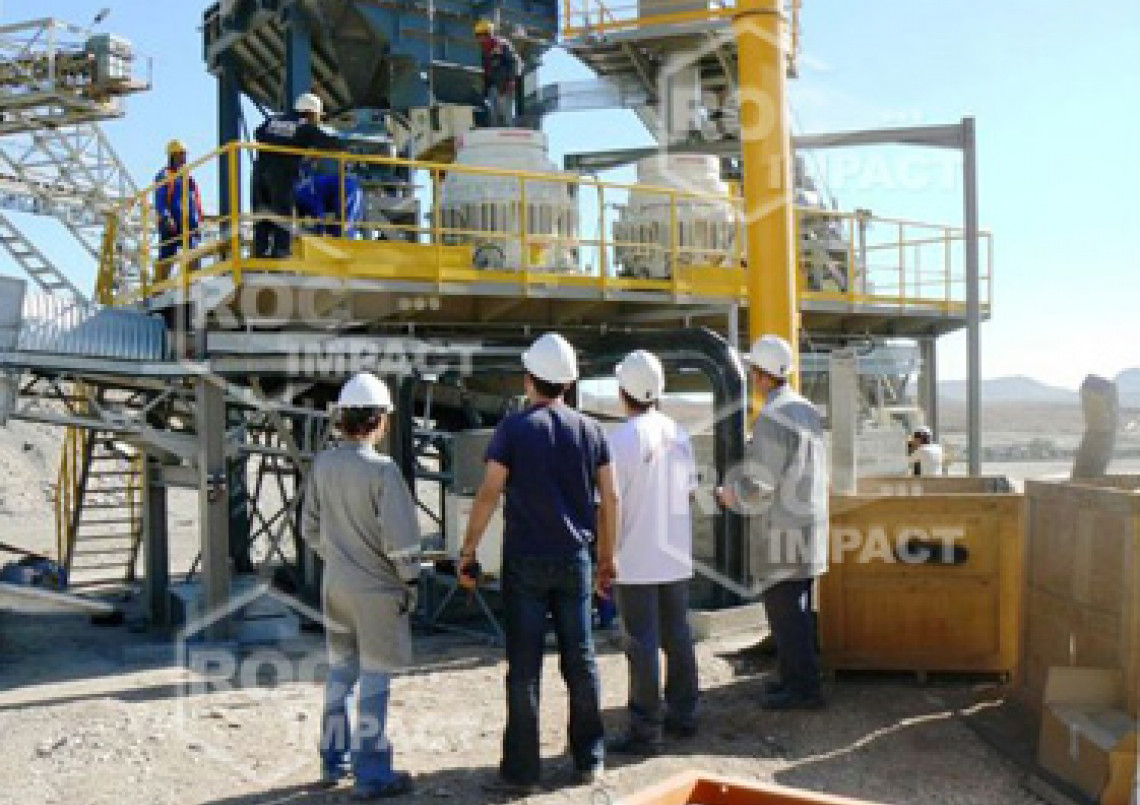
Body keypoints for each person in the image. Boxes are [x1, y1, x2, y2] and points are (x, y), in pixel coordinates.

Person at [459, 332, 618, 794]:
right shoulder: (592, 431)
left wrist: (468, 551)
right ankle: (589, 759)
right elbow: (610, 497)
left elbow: (489, 492)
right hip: (576, 560)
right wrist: (607, 559)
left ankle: (522, 772)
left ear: (530, 380)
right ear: (568, 383)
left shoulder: (513, 428)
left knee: (524, 667)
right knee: (581, 661)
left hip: (526, 561)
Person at [301, 372, 421, 799]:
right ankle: (372, 775)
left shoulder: (324, 464)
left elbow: (309, 528)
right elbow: (402, 542)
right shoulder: (383, 471)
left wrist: (339, 557)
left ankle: (333, 762)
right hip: (376, 593)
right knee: (374, 680)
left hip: (335, 586)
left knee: (340, 675)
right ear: (378, 421)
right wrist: (410, 582)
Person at [717, 334, 829, 710]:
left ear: (763, 375)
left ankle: (803, 691)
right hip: (808, 526)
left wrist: (730, 495)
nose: (750, 376)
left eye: (753, 371)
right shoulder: (806, 409)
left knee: (787, 615)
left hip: (783, 530)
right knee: (797, 611)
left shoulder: (772, 416)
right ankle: (793, 679)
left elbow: (761, 483)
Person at [607, 350, 700, 756]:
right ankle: (684, 714)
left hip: (635, 559)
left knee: (641, 642)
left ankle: (647, 730)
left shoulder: (620, 440)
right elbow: (690, 494)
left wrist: (605, 556)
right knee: (678, 636)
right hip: (674, 556)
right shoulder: (680, 434)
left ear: (623, 390)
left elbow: (609, 503)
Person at [251, 92, 342, 258]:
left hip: (259, 173)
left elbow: (258, 133)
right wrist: (341, 142)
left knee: (262, 214)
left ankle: (259, 253)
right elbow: (329, 143)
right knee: (283, 213)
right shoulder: (304, 126)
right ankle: (281, 253)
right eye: (317, 116)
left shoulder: (273, 120)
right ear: (310, 112)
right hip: (282, 174)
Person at [153, 139, 203, 279]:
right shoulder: (164, 175)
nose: (184, 158)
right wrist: (166, 217)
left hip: (188, 223)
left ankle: (193, 281)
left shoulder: (188, 177)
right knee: (167, 256)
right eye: (181, 155)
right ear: (172, 156)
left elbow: (195, 201)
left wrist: (198, 221)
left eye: (184, 155)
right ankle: (159, 288)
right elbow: (160, 199)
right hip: (171, 223)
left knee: (193, 252)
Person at [294, 161, 365, 237]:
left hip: (348, 191)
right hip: (343, 191)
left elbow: (318, 213)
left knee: (344, 228)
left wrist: (321, 232)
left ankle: (347, 245)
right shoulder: (305, 190)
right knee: (339, 228)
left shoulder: (304, 195)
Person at [474, 20, 519, 127]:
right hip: (493, 86)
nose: (480, 39)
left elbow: (513, 61)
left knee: (506, 114)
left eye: (481, 35)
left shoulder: (502, 45)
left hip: (504, 85)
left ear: (489, 33)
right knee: (494, 116)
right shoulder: (485, 51)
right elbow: (486, 71)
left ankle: (509, 134)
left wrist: (512, 80)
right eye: (478, 36)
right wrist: (484, 90)